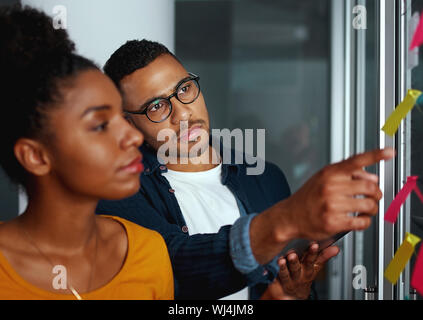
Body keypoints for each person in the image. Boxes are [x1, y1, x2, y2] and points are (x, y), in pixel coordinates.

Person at [96, 39, 395, 300]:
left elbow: (284, 286)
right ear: (129, 122)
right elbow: (173, 267)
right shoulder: (120, 192)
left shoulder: (266, 177)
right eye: (157, 106)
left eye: (184, 88)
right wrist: (285, 221)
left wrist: (294, 292)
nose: (183, 113)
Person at [0, 6, 173, 300]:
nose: (132, 136)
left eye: (122, 116)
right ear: (36, 156)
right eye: (100, 125)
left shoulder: (148, 251)